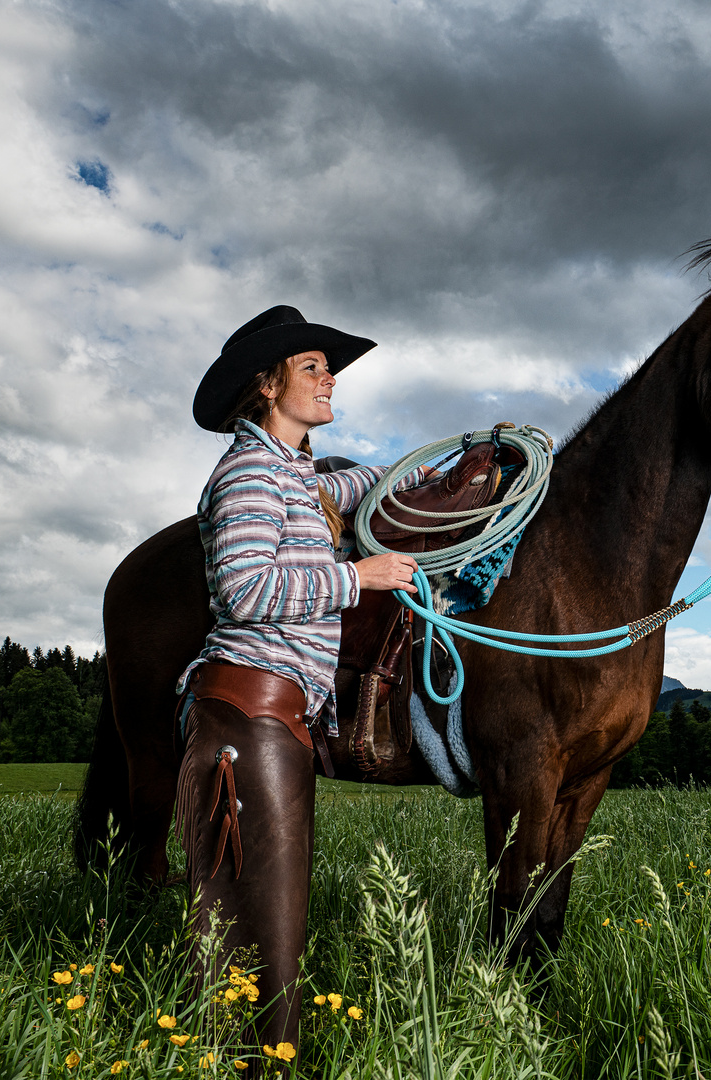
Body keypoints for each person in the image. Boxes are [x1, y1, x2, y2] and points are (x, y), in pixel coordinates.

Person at [175, 305, 424, 1053]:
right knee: (262, 932)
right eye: (312, 366)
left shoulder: (298, 475)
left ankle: (242, 1062)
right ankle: (252, 1067)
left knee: (266, 924)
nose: (330, 377)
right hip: (247, 714)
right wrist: (361, 577)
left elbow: (360, 486)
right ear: (266, 383)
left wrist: (449, 461)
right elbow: (246, 590)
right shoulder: (251, 472)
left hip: (268, 718)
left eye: (328, 366)